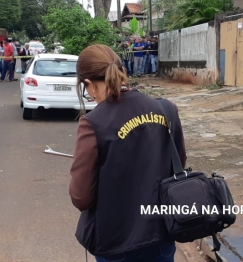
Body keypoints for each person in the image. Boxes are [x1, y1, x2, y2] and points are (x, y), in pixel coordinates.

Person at [69, 44, 186, 261]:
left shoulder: (93, 123)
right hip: (161, 235)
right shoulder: (166, 109)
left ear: (88, 84)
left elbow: (81, 197)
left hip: (114, 242)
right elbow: (177, 165)